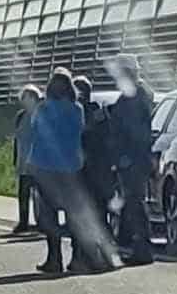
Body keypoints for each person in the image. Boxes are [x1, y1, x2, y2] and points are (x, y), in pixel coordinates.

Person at [28, 67, 114, 275]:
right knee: (74, 216)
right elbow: (80, 131)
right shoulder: (77, 109)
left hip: (45, 167)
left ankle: (54, 258)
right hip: (71, 167)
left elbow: (35, 130)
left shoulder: (42, 109)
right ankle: (77, 259)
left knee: (49, 215)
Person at [106, 53, 154, 265]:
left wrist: (125, 156)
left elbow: (132, 130)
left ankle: (142, 247)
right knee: (132, 202)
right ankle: (134, 244)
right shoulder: (138, 93)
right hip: (134, 158)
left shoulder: (135, 95)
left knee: (135, 202)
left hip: (133, 159)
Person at [73, 75, 114, 233]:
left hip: (95, 167)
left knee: (98, 206)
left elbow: (104, 139)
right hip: (85, 166)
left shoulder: (95, 113)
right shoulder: (79, 111)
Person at [11, 84, 41, 233]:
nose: (24, 101)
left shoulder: (42, 114)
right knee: (23, 194)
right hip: (23, 161)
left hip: (38, 162)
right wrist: (15, 158)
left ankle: (42, 222)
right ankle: (23, 222)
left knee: (39, 195)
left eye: (27, 97)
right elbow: (17, 139)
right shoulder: (21, 116)